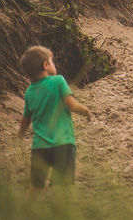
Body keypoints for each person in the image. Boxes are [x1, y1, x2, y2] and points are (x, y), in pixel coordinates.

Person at [17, 45, 92, 198]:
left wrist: (20, 134)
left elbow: (26, 120)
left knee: (36, 187)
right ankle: (58, 218)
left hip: (39, 147)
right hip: (63, 143)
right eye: (52, 61)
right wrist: (85, 110)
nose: (53, 64)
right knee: (60, 186)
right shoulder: (58, 81)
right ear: (45, 65)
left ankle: (24, 213)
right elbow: (71, 105)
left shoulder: (29, 92)